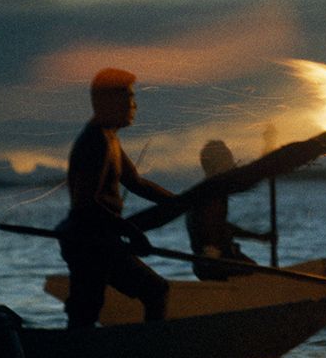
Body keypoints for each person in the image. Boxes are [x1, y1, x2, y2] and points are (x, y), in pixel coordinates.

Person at [56, 67, 174, 329]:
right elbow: (86, 203)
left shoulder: (110, 139)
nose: (134, 105)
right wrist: (132, 232)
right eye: (129, 97)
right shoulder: (95, 141)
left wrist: (179, 202)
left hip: (100, 240)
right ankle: (146, 354)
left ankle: (130, 353)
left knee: (89, 312)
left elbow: (136, 183)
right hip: (87, 242)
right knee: (90, 311)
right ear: (108, 101)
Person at [185, 139, 273, 281]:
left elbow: (221, 225)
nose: (232, 164)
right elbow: (211, 232)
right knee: (257, 277)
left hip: (214, 262)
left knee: (257, 273)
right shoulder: (210, 193)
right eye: (227, 160)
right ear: (216, 165)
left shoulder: (214, 190)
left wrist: (259, 237)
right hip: (215, 265)